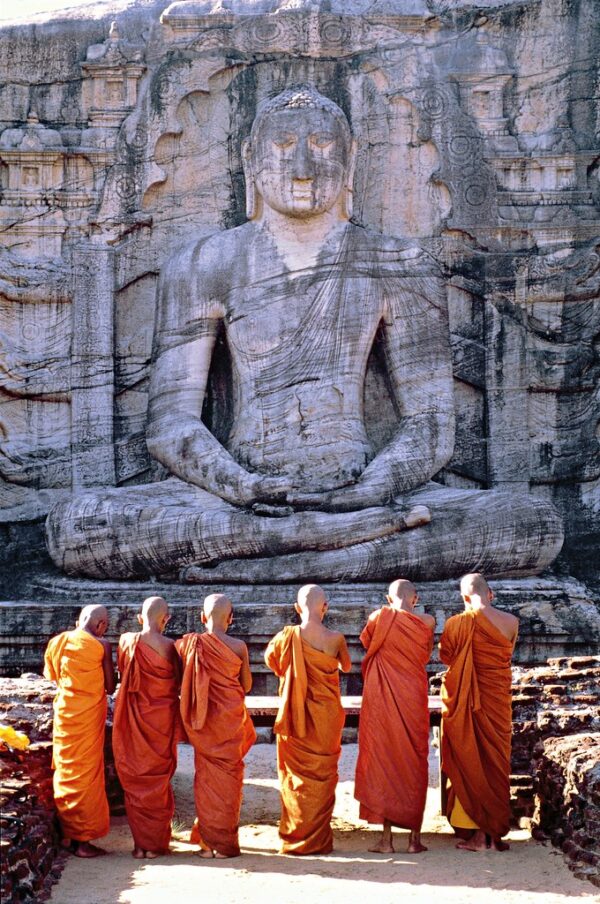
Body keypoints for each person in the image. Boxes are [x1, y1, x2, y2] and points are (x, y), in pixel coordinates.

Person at [45, 86, 563, 585]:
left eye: (321, 146)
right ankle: (340, 549)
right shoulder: (203, 263)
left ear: (351, 158)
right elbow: (170, 424)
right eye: (283, 146)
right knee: (78, 526)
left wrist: (371, 488)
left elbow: (429, 426)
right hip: (237, 497)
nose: (302, 167)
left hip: (363, 489)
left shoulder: (400, 264)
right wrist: (241, 486)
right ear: (251, 159)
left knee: (531, 525)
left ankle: (275, 556)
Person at [265, 584, 351, 855]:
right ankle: (318, 841)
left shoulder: (286, 636)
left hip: (295, 714)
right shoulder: (336, 638)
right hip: (326, 715)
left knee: (295, 779)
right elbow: (346, 666)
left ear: (297, 608)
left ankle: (295, 839)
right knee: (323, 776)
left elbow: (270, 660)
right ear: (325, 607)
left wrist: (294, 670)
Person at [439, 572, 519, 852]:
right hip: (497, 704)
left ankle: (478, 835)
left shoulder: (456, 623)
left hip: (466, 705)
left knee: (469, 760)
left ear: (463, 597)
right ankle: (490, 834)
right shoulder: (511, 622)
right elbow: (505, 653)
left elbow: (447, 657)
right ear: (491, 594)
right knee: (494, 765)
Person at [354, 578, 434, 854]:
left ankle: (386, 841)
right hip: (413, 694)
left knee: (383, 759)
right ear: (416, 598)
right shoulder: (428, 621)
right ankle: (414, 840)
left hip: (383, 698)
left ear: (388, 599)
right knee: (414, 760)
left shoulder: (379, 616)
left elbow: (367, 642)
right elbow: (425, 652)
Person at [176, 594, 256, 858]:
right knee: (228, 784)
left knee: (207, 782)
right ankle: (223, 843)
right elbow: (246, 685)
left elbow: (182, 682)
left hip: (205, 723)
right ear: (230, 618)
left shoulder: (189, 645)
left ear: (202, 617)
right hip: (229, 722)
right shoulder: (238, 646)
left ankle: (208, 844)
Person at [113, 596, 183, 859]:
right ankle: (155, 844)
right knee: (157, 778)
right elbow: (179, 682)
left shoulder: (127, 643)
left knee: (135, 777)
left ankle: (141, 845)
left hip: (134, 717)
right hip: (161, 718)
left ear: (139, 618)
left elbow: (123, 674)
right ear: (166, 619)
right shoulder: (172, 647)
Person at [44, 604, 115, 858]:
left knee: (67, 771)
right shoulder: (102, 645)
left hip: (66, 715)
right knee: (85, 775)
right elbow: (109, 685)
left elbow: (52, 675)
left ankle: (67, 834)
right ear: (101, 625)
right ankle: (82, 841)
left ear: (79, 620)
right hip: (87, 715)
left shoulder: (60, 641)